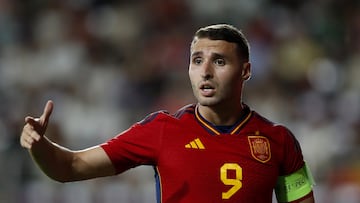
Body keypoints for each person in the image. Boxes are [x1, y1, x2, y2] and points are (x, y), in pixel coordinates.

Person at [20, 24, 315, 203]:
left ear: (246, 71)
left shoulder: (279, 141)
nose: (206, 72)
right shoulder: (162, 130)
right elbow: (70, 167)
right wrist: (39, 145)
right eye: (197, 60)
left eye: (220, 61)